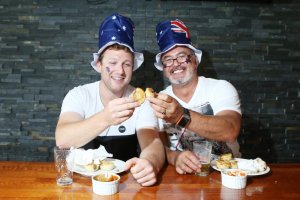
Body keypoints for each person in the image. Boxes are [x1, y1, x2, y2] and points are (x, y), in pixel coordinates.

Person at [55, 13, 165, 186]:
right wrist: (106, 117)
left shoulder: (140, 100)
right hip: (80, 185)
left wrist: (151, 164)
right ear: (99, 64)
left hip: (126, 184)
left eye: (126, 64)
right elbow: (62, 139)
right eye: (112, 62)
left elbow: (153, 143)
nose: (120, 71)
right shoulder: (79, 95)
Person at [148, 19, 242, 175]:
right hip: (181, 178)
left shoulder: (221, 88)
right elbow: (160, 146)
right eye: (168, 60)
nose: (176, 64)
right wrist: (175, 157)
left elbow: (230, 130)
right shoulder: (160, 99)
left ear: (195, 60)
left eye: (182, 56)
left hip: (226, 174)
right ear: (163, 68)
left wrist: (180, 116)